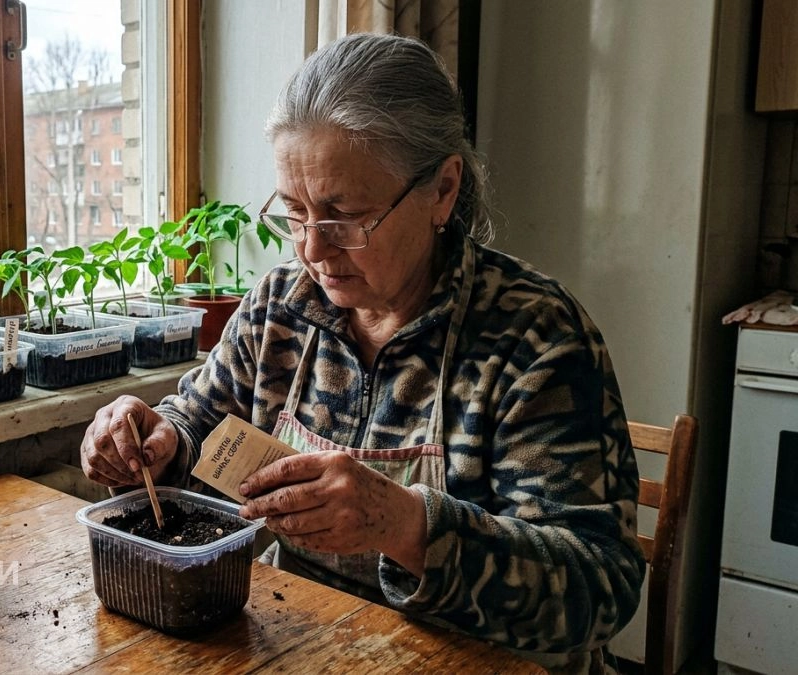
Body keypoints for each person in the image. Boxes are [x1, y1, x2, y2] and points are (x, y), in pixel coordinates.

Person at [80, 32, 643, 673]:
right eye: (294, 214)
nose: (313, 251)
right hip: (306, 643)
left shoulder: (532, 340)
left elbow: (600, 586)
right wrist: (155, 441)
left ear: (443, 190)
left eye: (344, 217)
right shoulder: (281, 308)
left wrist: (403, 525)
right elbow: (196, 423)